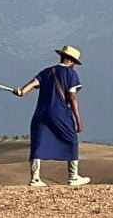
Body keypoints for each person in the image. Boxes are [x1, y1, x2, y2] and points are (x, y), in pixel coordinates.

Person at [12, 45, 88, 187]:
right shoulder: (71, 75)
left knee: (38, 142)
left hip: (41, 112)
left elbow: (27, 88)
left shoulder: (47, 71)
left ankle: (35, 179)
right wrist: (78, 119)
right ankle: (73, 177)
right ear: (71, 61)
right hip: (60, 112)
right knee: (71, 140)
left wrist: (20, 92)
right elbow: (72, 97)